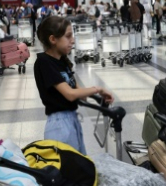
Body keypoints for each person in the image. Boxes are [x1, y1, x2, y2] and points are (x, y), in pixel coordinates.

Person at [34, 16, 114, 154]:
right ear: (53, 39)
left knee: (80, 167)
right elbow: (70, 95)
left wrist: (98, 98)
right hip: (59, 125)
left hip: (72, 120)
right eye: (68, 36)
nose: (73, 40)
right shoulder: (44, 63)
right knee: (70, 171)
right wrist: (98, 89)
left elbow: (78, 92)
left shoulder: (63, 61)